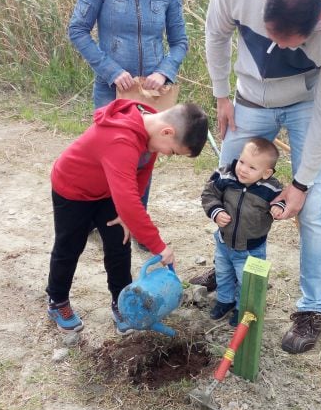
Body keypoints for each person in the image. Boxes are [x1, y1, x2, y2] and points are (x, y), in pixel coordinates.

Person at [201, 0, 321, 354]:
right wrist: (221, 94)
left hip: (309, 104)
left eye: (287, 43)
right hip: (248, 98)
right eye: (269, 35)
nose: (273, 48)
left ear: (319, 21)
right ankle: (227, 268)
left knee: (313, 209)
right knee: (228, 182)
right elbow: (216, 34)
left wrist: (301, 184)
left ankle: (311, 309)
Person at [45, 99, 208, 334]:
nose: (166, 154)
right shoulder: (121, 139)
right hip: (73, 190)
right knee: (69, 246)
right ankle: (57, 300)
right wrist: (158, 247)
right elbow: (128, 199)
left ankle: (122, 302)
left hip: (108, 190)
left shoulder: (151, 130)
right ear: (167, 131)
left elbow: (142, 172)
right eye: (172, 151)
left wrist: (126, 214)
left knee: (119, 244)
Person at [67, 0, 188, 218]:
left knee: (144, 158)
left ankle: (134, 222)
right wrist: (110, 70)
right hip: (111, 92)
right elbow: (77, 29)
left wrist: (163, 72)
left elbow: (180, 43)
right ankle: (102, 219)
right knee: (110, 156)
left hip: (151, 96)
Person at [200, 138, 285, 326]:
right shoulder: (226, 177)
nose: (243, 169)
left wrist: (278, 207)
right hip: (224, 242)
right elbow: (209, 193)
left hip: (251, 248)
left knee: (247, 282)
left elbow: (282, 198)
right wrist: (216, 211)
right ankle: (225, 300)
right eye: (242, 161)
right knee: (223, 274)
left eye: (252, 168)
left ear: (266, 173)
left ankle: (243, 307)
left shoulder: (270, 188)